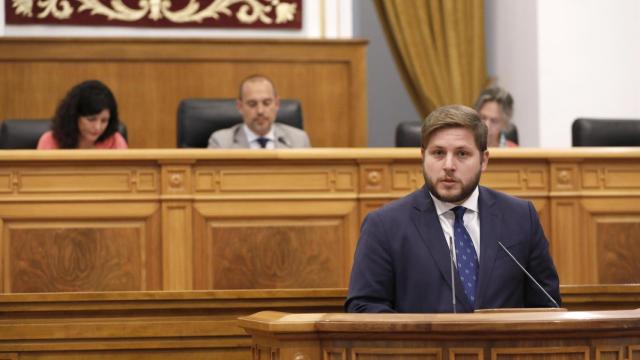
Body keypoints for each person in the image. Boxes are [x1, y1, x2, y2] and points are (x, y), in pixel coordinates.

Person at [345, 105, 560, 313]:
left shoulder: (521, 217)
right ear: (422, 156)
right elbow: (364, 308)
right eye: (438, 153)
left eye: (462, 154)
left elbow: (548, 304)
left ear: (484, 160)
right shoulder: (385, 226)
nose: (448, 165)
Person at [207, 74, 311, 149]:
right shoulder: (221, 143)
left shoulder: (299, 140)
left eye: (266, 103)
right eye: (252, 104)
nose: (260, 111)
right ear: (240, 106)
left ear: (277, 104)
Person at [37, 80, 128, 149]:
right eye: (91, 119)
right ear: (74, 116)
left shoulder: (115, 141)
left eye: (104, 121)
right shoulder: (50, 141)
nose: (98, 127)